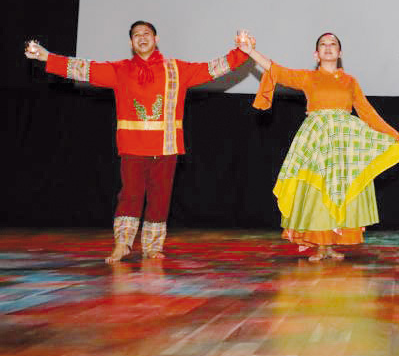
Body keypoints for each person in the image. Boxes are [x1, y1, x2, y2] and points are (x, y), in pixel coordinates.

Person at [24, 22, 249, 262]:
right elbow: (83, 69)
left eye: (147, 34)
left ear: (156, 38)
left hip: (167, 146)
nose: (142, 38)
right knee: (130, 196)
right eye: (136, 35)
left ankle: (152, 247)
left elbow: (211, 69)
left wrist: (242, 52)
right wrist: (47, 57)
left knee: (160, 197)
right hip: (133, 146)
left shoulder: (176, 69)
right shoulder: (120, 70)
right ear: (131, 43)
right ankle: (123, 244)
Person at [240, 32, 399, 262]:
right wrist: (250, 51)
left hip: (343, 143)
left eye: (333, 44)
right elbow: (278, 71)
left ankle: (332, 245)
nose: (328, 47)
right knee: (317, 191)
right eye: (323, 44)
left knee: (339, 189)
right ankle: (320, 245)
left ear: (340, 53)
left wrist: (395, 136)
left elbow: (367, 112)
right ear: (316, 53)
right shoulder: (308, 78)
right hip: (317, 140)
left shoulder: (350, 81)